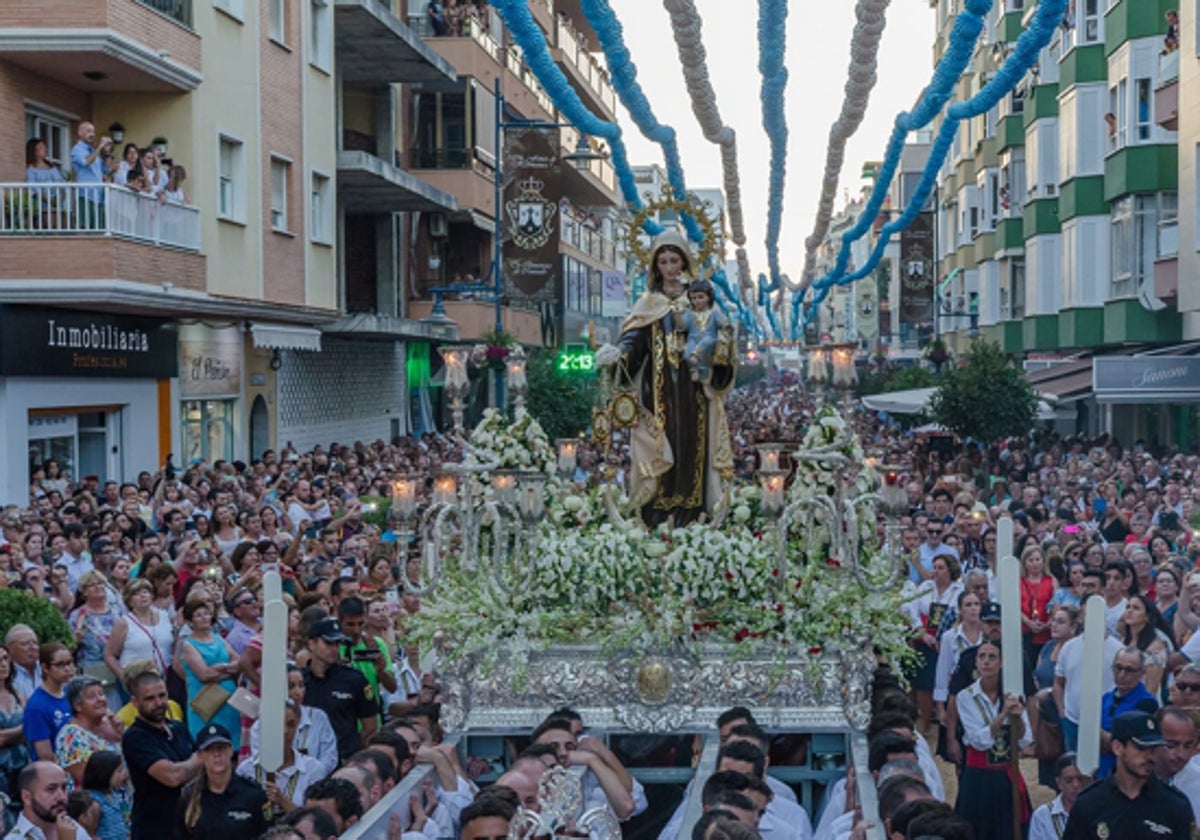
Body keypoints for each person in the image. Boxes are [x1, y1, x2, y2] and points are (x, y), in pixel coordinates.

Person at [596, 229, 736, 526]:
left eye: (675, 261)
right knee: (661, 445)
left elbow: (720, 337)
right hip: (656, 392)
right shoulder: (648, 303)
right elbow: (633, 342)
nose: (670, 268)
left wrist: (721, 351)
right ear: (655, 266)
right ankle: (657, 512)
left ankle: (693, 511)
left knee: (692, 443)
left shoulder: (699, 299)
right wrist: (617, 355)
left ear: (684, 262)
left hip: (693, 389)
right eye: (664, 262)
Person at [1064, 710, 1195, 838]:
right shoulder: (1089, 803)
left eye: (1153, 748)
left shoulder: (1174, 805)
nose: (1150, 756)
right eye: (1141, 748)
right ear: (1118, 748)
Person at [953, 639, 1032, 840]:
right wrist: (1003, 714)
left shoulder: (1013, 694)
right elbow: (978, 740)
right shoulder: (966, 696)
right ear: (976, 662)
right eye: (982, 657)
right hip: (978, 776)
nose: (986, 662)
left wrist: (1017, 716)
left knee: (1008, 828)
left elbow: (1024, 740)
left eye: (992, 657)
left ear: (1001, 662)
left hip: (1006, 773)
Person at [121, 670, 200, 840]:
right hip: (154, 829)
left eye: (162, 695)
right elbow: (172, 776)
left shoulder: (178, 728)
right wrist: (200, 758)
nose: (159, 703)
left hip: (187, 826)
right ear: (134, 702)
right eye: (150, 698)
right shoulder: (135, 737)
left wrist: (195, 762)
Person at [175, 723, 268, 840]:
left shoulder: (254, 794)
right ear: (200, 756)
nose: (217, 754)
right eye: (209, 749)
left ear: (230, 751)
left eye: (221, 747)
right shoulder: (189, 795)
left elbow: (268, 835)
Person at [302, 619, 377, 761]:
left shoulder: (353, 679)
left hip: (343, 758)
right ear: (312, 644)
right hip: (306, 760)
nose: (334, 649)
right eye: (328, 643)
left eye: (337, 643)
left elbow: (370, 725)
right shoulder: (299, 680)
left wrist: (351, 750)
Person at [236, 701, 325, 819]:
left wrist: (282, 801)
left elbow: (317, 821)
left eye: (291, 725)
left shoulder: (313, 769)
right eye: (278, 724)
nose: (285, 731)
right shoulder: (246, 769)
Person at [178, 597, 241, 750]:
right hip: (206, 701)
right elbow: (204, 675)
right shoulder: (188, 644)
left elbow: (238, 662)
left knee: (231, 741)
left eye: (206, 613)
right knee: (208, 742)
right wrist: (228, 670)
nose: (205, 618)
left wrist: (221, 667)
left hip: (228, 700)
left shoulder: (218, 638)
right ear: (190, 622)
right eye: (198, 615)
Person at [1098, 647, 1160, 778]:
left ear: (1142, 672)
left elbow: (1133, 746)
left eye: (1129, 670)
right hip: (1100, 771)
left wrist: (1100, 736)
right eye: (1118, 668)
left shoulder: (1146, 703)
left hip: (1125, 775)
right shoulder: (1105, 698)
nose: (1122, 675)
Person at [54, 676, 123, 789]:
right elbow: (89, 780)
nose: (100, 699)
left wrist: (121, 733)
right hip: (93, 801)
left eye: (101, 694)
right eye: (92, 697)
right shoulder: (71, 736)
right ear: (78, 706)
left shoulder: (110, 724)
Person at [4, 762, 90, 840]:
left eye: (64, 788)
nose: (62, 797)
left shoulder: (72, 827)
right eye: (51, 789)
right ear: (27, 797)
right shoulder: (15, 838)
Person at [24, 643, 76, 762]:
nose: (67, 668)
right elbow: (45, 756)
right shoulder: (36, 707)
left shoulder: (71, 693)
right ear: (45, 668)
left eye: (69, 663)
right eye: (60, 665)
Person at [1029, 752, 1085, 840]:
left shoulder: (1097, 811)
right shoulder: (1042, 816)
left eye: (1080, 779)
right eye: (1069, 780)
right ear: (1059, 783)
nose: (1076, 785)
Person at [80, 751, 131, 840]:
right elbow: (90, 834)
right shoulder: (94, 803)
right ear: (105, 773)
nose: (123, 775)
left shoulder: (115, 795)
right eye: (119, 771)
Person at [0, 646, 28, 804]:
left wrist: (8, 735)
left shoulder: (16, 693)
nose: (3, 664)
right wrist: (21, 731)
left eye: (5, 659)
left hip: (22, 765)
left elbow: (31, 727)